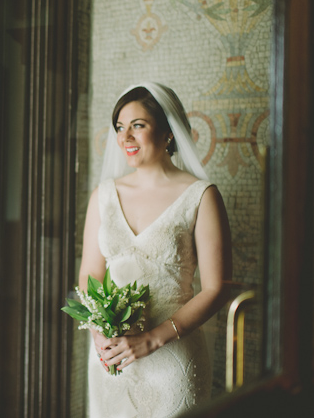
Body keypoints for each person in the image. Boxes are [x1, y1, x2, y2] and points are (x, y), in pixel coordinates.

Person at [79, 83, 232, 417]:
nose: (125, 138)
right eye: (120, 127)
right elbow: (90, 275)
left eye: (138, 125)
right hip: (111, 359)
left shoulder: (201, 196)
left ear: (168, 132)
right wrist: (99, 333)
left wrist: (151, 340)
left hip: (172, 359)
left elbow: (217, 288)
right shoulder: (102, 196)